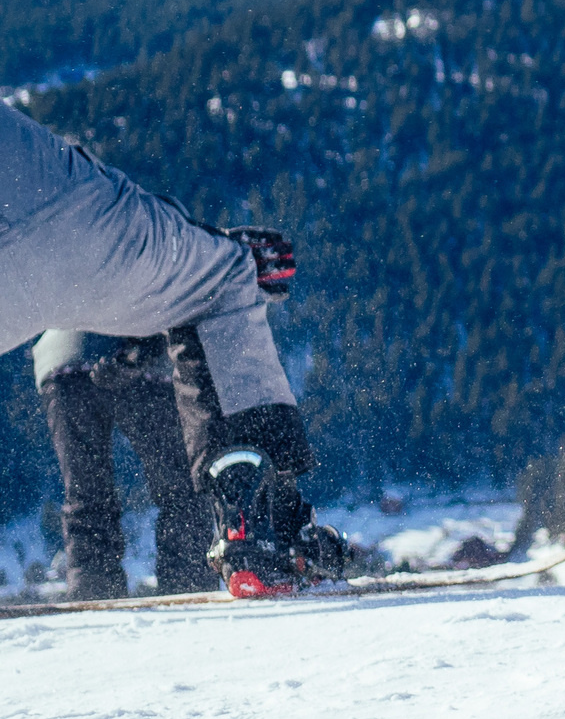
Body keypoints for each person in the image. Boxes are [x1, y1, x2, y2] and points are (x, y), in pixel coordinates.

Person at [0, 103, 345, 596]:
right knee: (220, 281)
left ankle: (92, 591)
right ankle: (259, 530)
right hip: (81, 252)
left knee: (86, 499)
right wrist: (223, 248)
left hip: (58, 363)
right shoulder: (72, 180)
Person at [34, 330, 221, 600]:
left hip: (64, 355)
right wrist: (142, 350)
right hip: (143, 352)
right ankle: (189, 588)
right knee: (181, 493)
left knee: (87, 495)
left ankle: (93, 593)